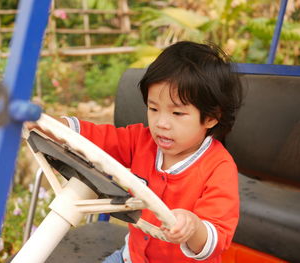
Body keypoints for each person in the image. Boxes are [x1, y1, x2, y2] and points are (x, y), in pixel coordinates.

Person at [28, 41, 243, 263]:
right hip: (132, 257)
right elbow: (101, 139)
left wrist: (194, 227)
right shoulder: (142, 140)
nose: (161, 123)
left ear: (210, 117)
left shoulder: (219, 168)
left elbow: (217, 236)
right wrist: (56, 126)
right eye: (153, 109)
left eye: (177, 113)